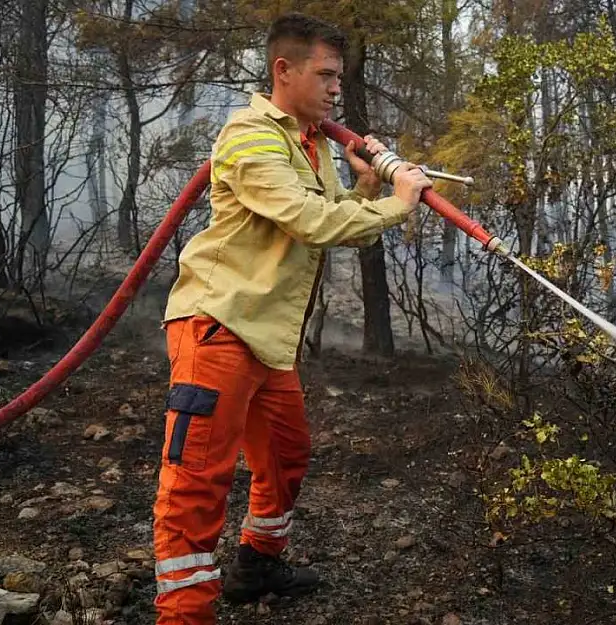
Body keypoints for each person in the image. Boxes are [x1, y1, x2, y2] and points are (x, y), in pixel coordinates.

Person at [150, 12, 432, 625]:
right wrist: (397, 203)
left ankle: (256, 565)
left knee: (285, 455)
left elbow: (329, 221)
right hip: (218, 327)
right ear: (284, 70)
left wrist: (362, 191)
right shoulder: (251, 135)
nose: (337, 90)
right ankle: (184, 615)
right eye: (326, 75)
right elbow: (309, 222)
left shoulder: (310, 144)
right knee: (197, 479)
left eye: (340, 77)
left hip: (266, 341)